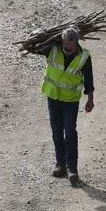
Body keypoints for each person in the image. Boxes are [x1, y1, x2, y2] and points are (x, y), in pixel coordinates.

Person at [40, 26, 95, 186]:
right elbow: (36, 46)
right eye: (64, 43)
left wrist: (90, 99)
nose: (67, 46)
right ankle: (60, 164)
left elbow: (89, 79)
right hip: (53, 97)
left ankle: (72, 169)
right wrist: (39, 36)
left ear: (76, 42)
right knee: (57, 131)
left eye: (70, 43)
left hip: (70, 101)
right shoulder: (53, 49)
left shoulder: (84, 56)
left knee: (70, 132)